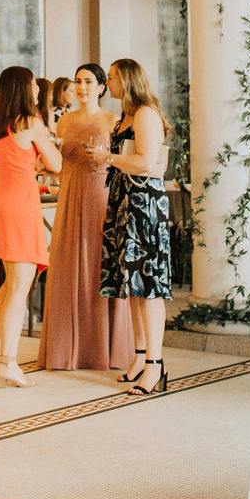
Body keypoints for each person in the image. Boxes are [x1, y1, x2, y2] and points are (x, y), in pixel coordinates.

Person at [38, 64, 134, 372]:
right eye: (78, 81)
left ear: (102, 87)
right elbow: (56, 163)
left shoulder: (113, 120)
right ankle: (68, 348)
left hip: (100, 198)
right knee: (67, 266)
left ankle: (103, 347)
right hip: (69, 196)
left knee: (98, 265)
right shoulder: (63, 122)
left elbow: (124, 163)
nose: (82, 87)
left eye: (89, 81)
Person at [0, 66, 62, 388]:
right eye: (33, 85)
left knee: (9, 284)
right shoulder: (30, 122)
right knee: (20, 286)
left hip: (0, 204)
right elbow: (57, 164)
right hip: (20, 206)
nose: (38, 91)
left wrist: (34, 161)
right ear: (23, 88)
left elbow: (17, 160)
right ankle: (8, 363)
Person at [98, 59, 171, 397]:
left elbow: (145, 161)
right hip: (124, 201)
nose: (107, 82)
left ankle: (156, 365)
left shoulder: (145, 114)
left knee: (150, 286)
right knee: (135, 285)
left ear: (126, 80)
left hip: (145, 205)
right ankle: (140, 357)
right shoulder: (123, 117)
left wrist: (108, 159)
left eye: (111, 77)